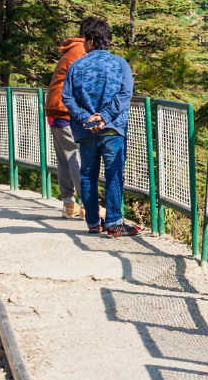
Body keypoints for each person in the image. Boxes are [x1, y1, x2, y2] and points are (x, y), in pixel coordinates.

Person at [59, 16, 142, 237]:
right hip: (113, 128)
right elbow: (125, 94)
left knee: (88, 174)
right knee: (114, 173)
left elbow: (67, 97)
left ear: (90, 40)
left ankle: (93, 222)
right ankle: (114, 223)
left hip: (86, 130)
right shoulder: (120, 64)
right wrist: (104, 117)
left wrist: (87, 118)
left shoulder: (77, 66)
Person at [44, 31, 88, 219]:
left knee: (65, 158)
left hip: (55, 111)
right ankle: (88, 205)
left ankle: (69, 204)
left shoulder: (72, 50)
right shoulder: (82, 51)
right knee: (77, 157)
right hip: (65, 111)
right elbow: (84, 85)